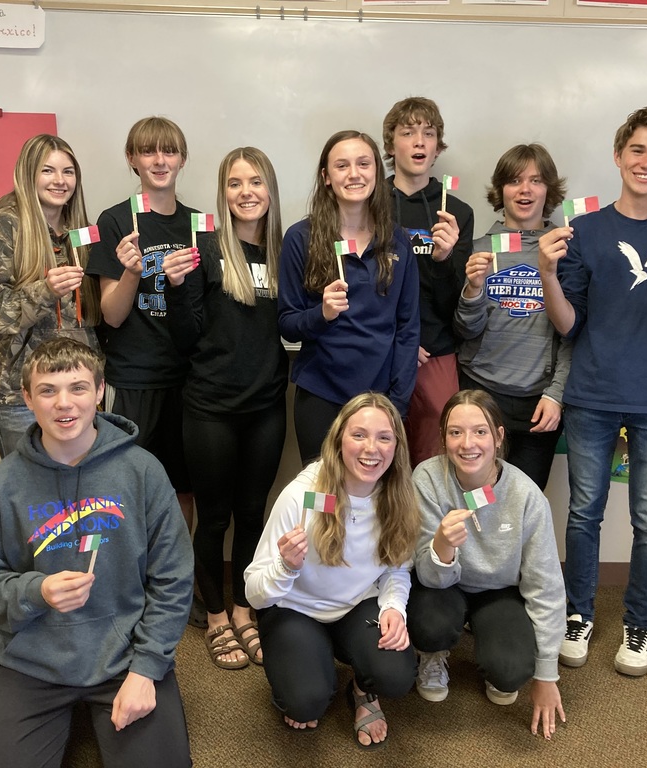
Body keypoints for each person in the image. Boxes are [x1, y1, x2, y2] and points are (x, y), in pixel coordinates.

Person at [0, 338, 193, 768]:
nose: (64, 403)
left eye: (78, 388)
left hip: (125, 655)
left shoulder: (143, 472)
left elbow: (173, 579)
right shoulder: (1, 485)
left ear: (100, 391)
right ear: (27, 397)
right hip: (28, 661)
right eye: (47, 390)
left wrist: (147, 669)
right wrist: (34, 592)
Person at [537, 106, 647, 677]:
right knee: (584, 513)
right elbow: (568, 324)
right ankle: (578, 615)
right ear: (618, 155)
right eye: (638, 149)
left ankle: (640, 624)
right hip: (592, 392)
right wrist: (545, 276)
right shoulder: (584, 229)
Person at [244, 392, 419, 750]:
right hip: (294, 609)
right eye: (359, 435)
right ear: (339, 440)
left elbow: (397, 570)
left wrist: (393, 609)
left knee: (396, 675)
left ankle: (360, 688)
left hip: (355, 607)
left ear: (396, 446)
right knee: (306, 701)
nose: (372, 448)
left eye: (384, 437)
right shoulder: (302, 494)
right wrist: (285, 566)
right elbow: (254, 592)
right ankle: (309, 667)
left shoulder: (398, 495)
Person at [86, 117, 204, 625]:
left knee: (183, 488)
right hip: (132, 377)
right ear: (133, 160)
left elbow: (209, 307)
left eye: (169, 151)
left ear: (182, 159)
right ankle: (126, 590)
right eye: (148, 152)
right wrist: (133, 269)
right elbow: (110, 314)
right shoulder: (114, 220)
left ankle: (176, 586)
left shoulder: (201, 224)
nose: (160, 161)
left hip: (191, 380)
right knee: (124, 489)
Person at [182, 147, 288, 669]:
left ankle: (245, 608)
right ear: (222, 194)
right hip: (210, 409)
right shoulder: (204, 249)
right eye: (234, 183)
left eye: (256, 181)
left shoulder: (287, 251)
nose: (247, 192)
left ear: (271, 190)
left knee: (253, 514)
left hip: (266, 407)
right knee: (215, 516)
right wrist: (177, 288)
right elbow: (184, 333)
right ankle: (217, 615)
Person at [409, 390, 566, 739]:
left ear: (498, 436)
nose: (468, 444)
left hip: (498, 590)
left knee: (510, 672)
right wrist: (443, 546)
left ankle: (492, 644)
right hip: (442, 586)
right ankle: (433, 655)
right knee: (429, 624)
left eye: (480, 431)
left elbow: (545, 585)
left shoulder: (526, 496)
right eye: (455, 432)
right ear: (443, 437)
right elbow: (427, 575)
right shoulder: (427, 479)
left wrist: (546, 673)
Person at [278, 130, 420, 464]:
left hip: (380, 398)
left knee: (372, 503)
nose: (354, 174)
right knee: (323, 499)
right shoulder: (301, 238)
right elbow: (287, 324)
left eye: (363, 163)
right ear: (327, 177)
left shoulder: (398, 242)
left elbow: (408, 328)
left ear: (376, 172)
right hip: (321, 394)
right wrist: (322, 314)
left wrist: (396, 405)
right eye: (342, 166)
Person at [0, 134, 100, 458]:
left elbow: (96, 315)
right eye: (48, 171)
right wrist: (46, 290)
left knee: (75, 490)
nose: (60, 180)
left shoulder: (83, 230)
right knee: (30, 495)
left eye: (68, 172)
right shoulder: (3, 227)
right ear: (28, 174)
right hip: (19, 394)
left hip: (76, 389)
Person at [456, 144, 571, 490]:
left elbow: (573, 333)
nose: (525, 190)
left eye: (536, 181)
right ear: (500, 189)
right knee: (472, 502)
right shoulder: (476, 248)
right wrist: (473, 290)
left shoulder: (565, 251)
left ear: (549, 190)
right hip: (480, 394)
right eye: (515, 181)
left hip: (539, 404)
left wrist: (556, 393)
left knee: (520, 509)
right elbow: (465, 329)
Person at [381, 97, 475, 467]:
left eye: (429, 133)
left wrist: (444, 260)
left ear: (438, 147)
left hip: (436, 352)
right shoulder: (369, 204)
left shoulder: (457, 211)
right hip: (382, 348)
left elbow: (462, 303)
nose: (419, 141)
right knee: (378, 456)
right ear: (391, 145)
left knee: (435, 461)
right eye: (408, 133)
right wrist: (397, 341)